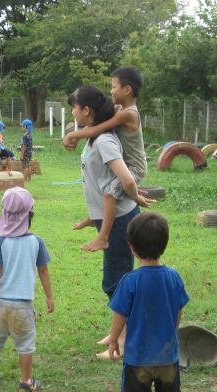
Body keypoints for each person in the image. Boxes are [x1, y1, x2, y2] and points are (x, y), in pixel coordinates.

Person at [68, 86, 153, 358]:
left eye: (74, 107)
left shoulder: (104, 141)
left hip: (119, 221)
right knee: (116, 279)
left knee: (117, 282)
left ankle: (125, 341)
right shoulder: (96, 138)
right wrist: (90, 220)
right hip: (110, 219)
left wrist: (135, 196)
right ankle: (119, 333)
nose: (72, 111)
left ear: (87, 111)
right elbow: (102, 184)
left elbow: (123, 180)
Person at [108, 212, 189, 392]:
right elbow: (178, 311)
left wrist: (114, 340)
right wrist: (172, 332)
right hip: (167, 355)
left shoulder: (130, 281)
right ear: (164, 244)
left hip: (137, 358)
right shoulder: (174, 277)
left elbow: (119, 315)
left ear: (132, 247)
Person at [65, 67, 148, 252]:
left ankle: (103, 238)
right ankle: (95, 217)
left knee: (110, 194)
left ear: (127, 90)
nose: (110, 91)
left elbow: (97, 129)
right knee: (110, 190)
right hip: (127, 165)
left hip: (135, 167)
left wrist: (72, 136)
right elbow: (97, 125)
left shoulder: (129, 113)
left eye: (113, 86)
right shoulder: (119, 109)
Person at [0, 187, 54, 392]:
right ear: (30, 215)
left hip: (0, 303)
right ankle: (25, 382)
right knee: (25, 345)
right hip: (23, 305)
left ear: (4, 215)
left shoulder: (0, 242)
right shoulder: (36, 242)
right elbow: (44, 270)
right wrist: (49, 297)